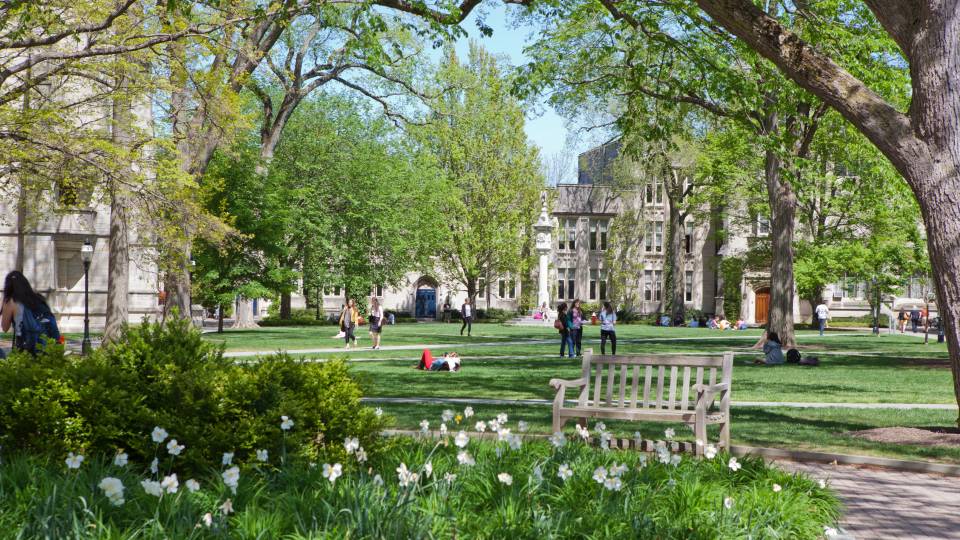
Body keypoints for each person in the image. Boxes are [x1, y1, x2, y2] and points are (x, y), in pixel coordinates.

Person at [1, 271, 62, 354]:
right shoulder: (38, 298)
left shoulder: (11, 302)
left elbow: (4, 328)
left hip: (26, 346)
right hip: (47, 344)